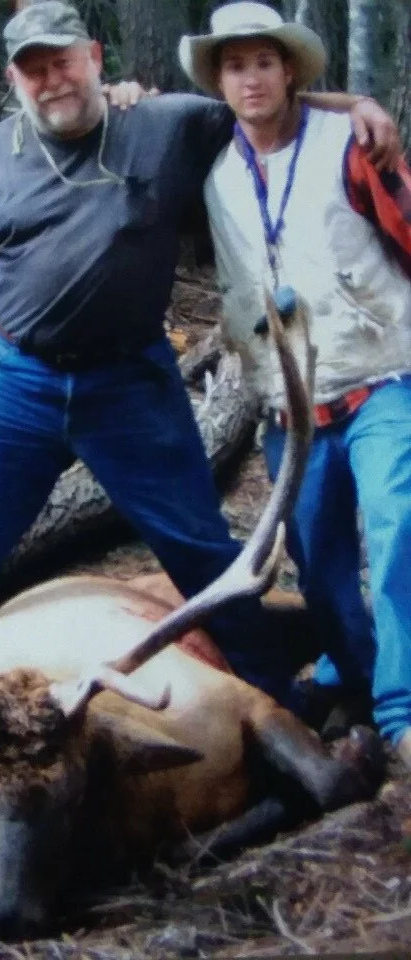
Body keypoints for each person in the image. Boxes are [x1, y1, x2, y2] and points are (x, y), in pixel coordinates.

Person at [0, 0, 397, 718]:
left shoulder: (164, 126)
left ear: (95, 58)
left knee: (202, 550)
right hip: (18, 380)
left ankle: (271, 700)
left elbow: (259, 102)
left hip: (130, 382)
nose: (53, 81)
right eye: (34, 69)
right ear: (15, 77)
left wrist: (361, 103)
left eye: (64, 62)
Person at [179, 1, 411, 768]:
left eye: (265, 62)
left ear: (290, 73)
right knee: (318, 561)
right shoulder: (210, 168)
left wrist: (360, 104)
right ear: (218, 80)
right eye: (236, 65)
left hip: (380, 381)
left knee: (400, 524)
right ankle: (353, 672)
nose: (252, 78)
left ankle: (400, 712)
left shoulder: (350, 143)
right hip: (291, 407)